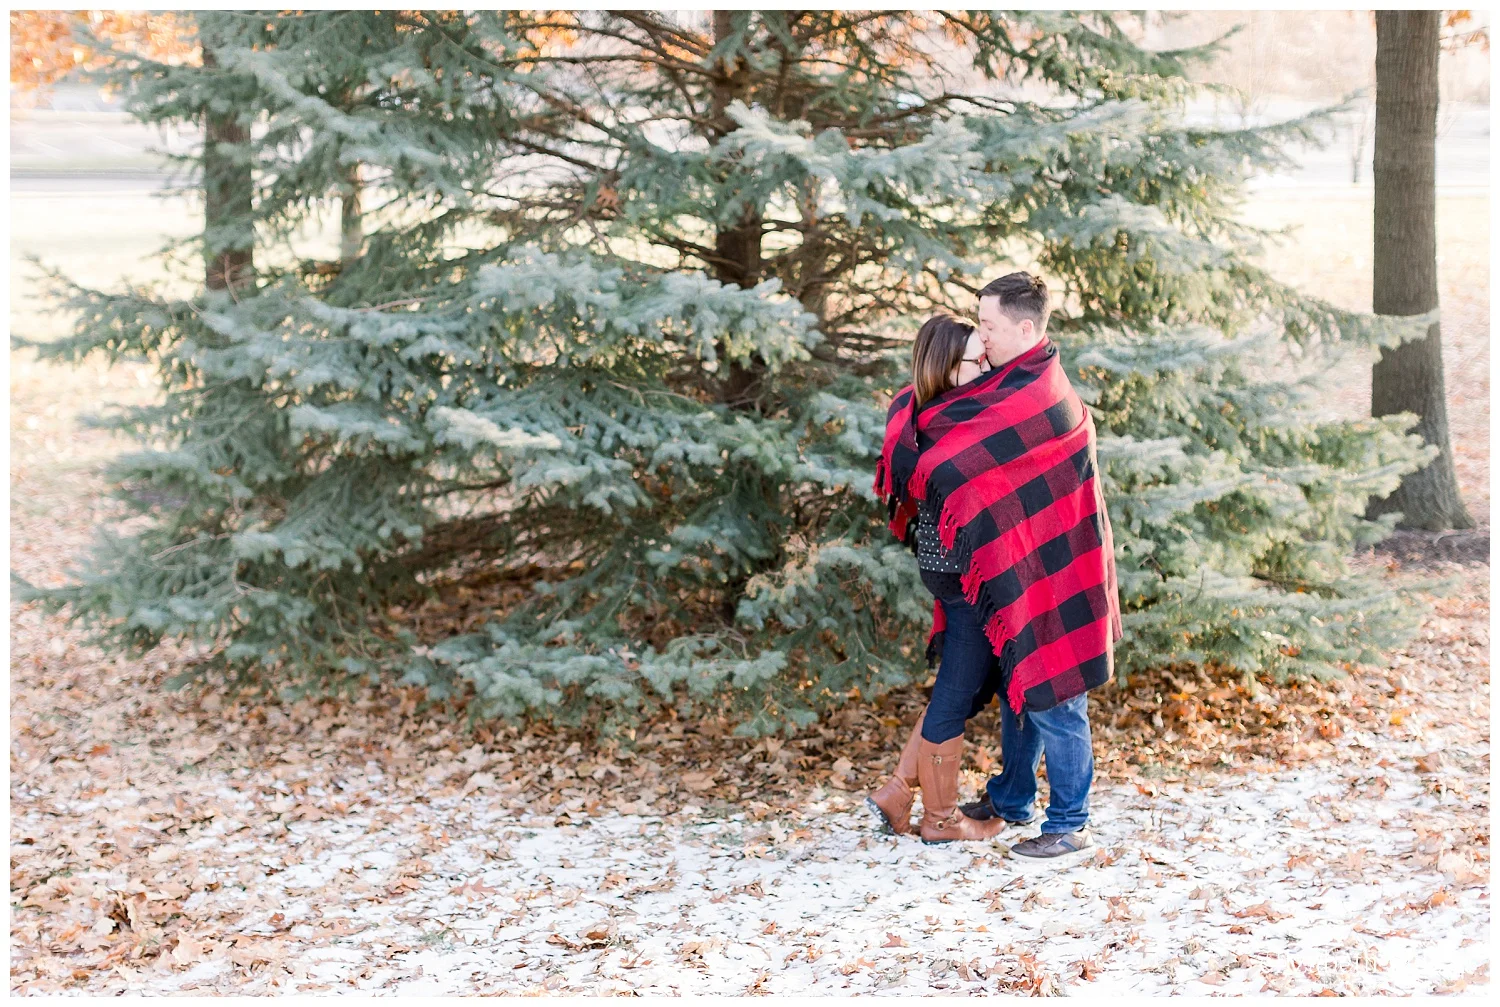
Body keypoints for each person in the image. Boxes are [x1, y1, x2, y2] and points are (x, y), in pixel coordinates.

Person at [870, 271, 1124, 866]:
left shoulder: (1040, 395)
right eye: (977, 326)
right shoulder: (1000, 383)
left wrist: (932, 450)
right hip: (1006, 574)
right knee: (1019, 690)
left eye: (987, 325)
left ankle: (1068, 824)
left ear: (1024, 327)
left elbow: (958, 466)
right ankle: (1011, 799)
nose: (981, 338)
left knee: (1055, 699)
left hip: (1053, 571)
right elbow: (942, 444)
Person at [865, 314, 1016, 844]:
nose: (988, 366)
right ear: (948, 368)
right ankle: (941, 819)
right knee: (958, 688)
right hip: (962, 573)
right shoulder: (958, 419)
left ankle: (898, 793)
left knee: (964, 686)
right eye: (978, 359)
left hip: (942, 565)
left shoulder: (917, 409)